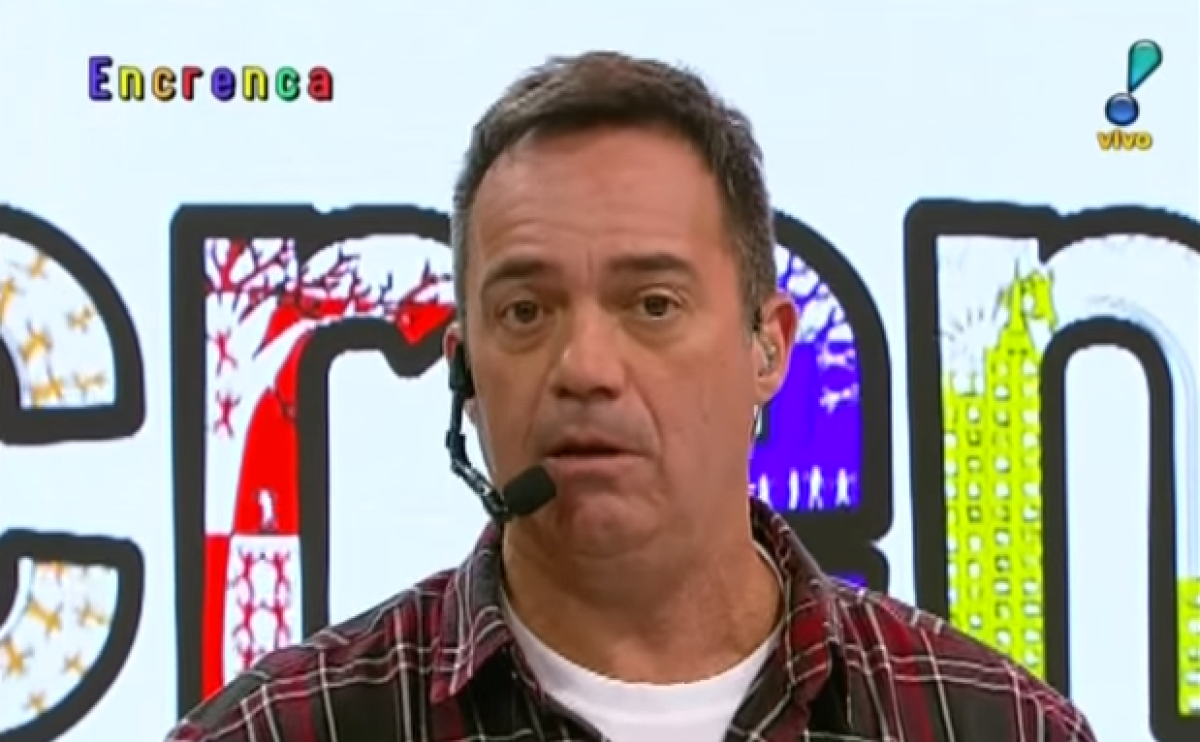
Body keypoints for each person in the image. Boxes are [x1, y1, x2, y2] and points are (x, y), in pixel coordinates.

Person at [166, 52, 1097, 742]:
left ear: (768, 347)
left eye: (653, 304)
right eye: (525, 311)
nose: (585, 367)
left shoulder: (992, 724)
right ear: (463, 371)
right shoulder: (281, 729)